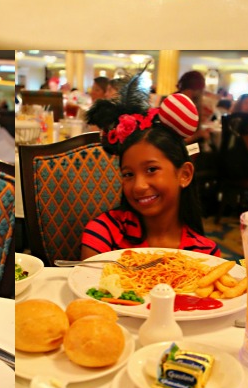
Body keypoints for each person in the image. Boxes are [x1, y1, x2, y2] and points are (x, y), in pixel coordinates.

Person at [82, 79, 220, 257]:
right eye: (128, 174)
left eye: (151, 170)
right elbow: (87, 283)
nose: (139, 186)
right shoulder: (104, 234)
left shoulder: (205, 254)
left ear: (184, 174)